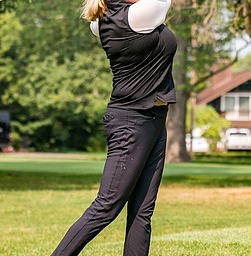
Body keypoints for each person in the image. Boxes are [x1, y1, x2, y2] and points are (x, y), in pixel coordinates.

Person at [51, 0, 177, 255]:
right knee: (106, 207)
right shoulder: (139, 15)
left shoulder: (102, 22)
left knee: (142, 212)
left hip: (152, 118)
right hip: (131, 123)